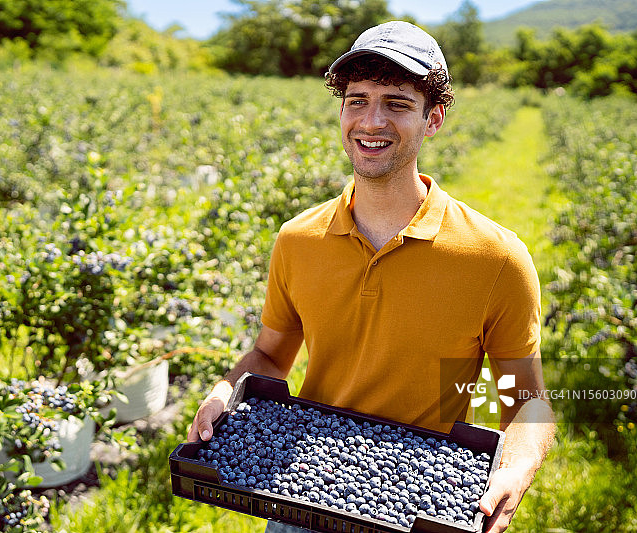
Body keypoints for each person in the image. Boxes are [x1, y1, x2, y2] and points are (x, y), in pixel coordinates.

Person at [187, 20, 555, 533]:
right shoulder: (299, 239)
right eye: (356, 100)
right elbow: (270, 355)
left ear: (433, 118)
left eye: (397, 104)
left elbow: (525, 401)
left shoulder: (496, 258)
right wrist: (225, 391)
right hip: (302, 485)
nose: (371, 121)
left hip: (421, 498)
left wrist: (515, 468)